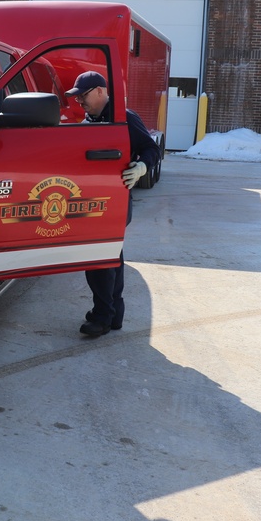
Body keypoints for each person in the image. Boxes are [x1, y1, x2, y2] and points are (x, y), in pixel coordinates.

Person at [65, 71, 161, 338]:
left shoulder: (125, 118)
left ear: (99, 91)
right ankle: (112, 313)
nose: (79, 102)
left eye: (82, 96)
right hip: (98, 201)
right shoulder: (92, 118)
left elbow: (152, 149)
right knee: (111, 258)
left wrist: (142, 167)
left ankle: (102, 317)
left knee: (99, 259)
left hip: (114, 202)